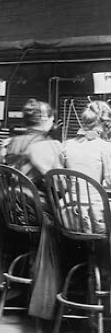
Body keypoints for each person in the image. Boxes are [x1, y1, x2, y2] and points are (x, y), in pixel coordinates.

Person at [59, 99, 111, 233]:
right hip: (95, 215)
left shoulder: (66, 145)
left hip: (67, 214)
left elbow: (60, 182)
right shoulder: (105, 147)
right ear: (106, 124)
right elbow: (109, 182)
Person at [0, 99, 61, 192]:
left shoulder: (9, 142)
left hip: (10, 199)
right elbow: (58, 184)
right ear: (45, 119)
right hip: (37, 201)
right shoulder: (47, 144)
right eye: (52, 120)